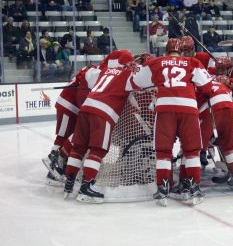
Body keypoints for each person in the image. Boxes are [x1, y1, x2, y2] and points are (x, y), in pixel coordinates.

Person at [131, 38, 214, 206]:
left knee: (163, 151)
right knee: (192, 151)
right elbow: (207, 87)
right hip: (189, 108)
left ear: (166, 51)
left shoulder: (157, 62)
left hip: (165, 108)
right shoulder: (192, 61)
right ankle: (194, 187)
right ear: (181, 52)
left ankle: (162, 189)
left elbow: (137, 82)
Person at [63, 50, 135, 203]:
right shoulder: (128, 74)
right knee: (98, 150)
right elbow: (141, 87)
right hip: (103, 113)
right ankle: (86, 188)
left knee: (78, 147)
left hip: (86, 108)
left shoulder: (104, 70)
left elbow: (88, 78)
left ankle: (69, 182)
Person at [42, 64, 102, 185]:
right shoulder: (96, 72)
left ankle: (55, 165)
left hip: (70, 106)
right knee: (63, 136)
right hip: (68, 106)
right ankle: (53, 163)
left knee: (67, 136)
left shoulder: (92, 69)